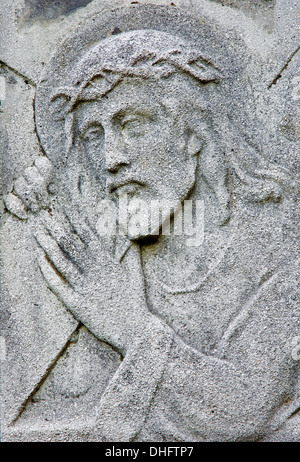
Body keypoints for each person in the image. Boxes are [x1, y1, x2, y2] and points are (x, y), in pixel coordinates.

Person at [4, 30, 299, 441]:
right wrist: (33, 208)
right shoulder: (101, 245)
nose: (111, 158)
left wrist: (130, 328)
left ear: (192, 132)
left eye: (133, 124)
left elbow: (249, 412)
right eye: (94, 135)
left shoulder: (278, 248)